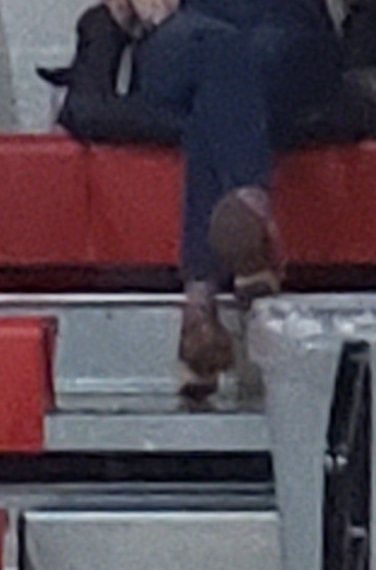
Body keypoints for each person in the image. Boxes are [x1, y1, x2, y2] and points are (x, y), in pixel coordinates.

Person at [110, 0, 342, 399]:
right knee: (222, 53)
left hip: (286, 34)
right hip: (187, 32)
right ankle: (249, 214)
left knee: (220, 84)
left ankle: (199, 307)